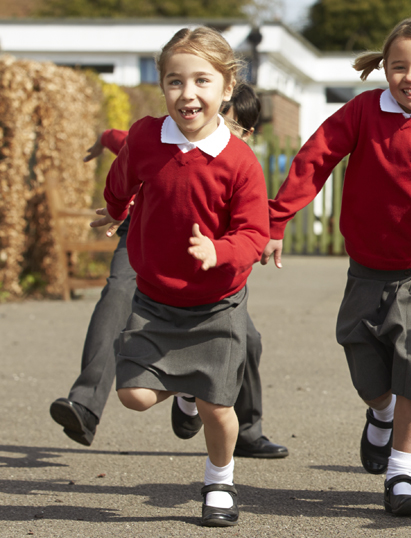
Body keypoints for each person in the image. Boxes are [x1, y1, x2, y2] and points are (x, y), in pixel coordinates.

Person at [261, 19, 411, 516]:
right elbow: (314, 159)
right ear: (384, 69)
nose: (410, 77)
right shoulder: (364, 111)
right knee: (367, 372)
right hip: (367, 269)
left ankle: (402, 475)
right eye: (399, 66)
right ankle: (381, 414)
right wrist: (276, 219)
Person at [51, 83, 288, 460]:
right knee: (117, 297)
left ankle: (241, 427)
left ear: (247, 132)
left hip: (206, 252)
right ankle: (85, 403)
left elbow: (252, 225)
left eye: (233, 125)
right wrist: (103, 142)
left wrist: (249, 241)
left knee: (249, 340)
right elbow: (125, 143)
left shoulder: (236, 161)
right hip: (148, 236)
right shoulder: (161, 135)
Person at [96, 27, 270, 527]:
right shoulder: (148, 136)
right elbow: (123, 175)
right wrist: (113, 209)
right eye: (175, 81)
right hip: (154, 300)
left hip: (217, 304)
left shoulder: (238, 161)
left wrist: (220, 250)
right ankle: (187, 392)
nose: (188, 94)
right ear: (162, 85)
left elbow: (253, 232)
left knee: (219, 407)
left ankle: (220, 481)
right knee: (133, 395)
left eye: (201, 81)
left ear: (227, 86)